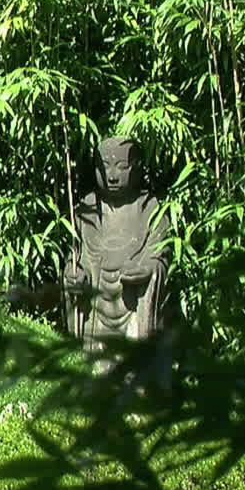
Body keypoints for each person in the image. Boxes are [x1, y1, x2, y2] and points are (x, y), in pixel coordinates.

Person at [63, 136, 167, 352]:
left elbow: (160, 254)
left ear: (136, 167)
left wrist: (148, 269)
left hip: (133, 313)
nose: (111, 176)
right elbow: (75, 257)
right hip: (95, 318)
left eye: (121, 167)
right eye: (104, 167)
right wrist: (73, 275)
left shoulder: (150, 208)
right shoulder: (87, 209)